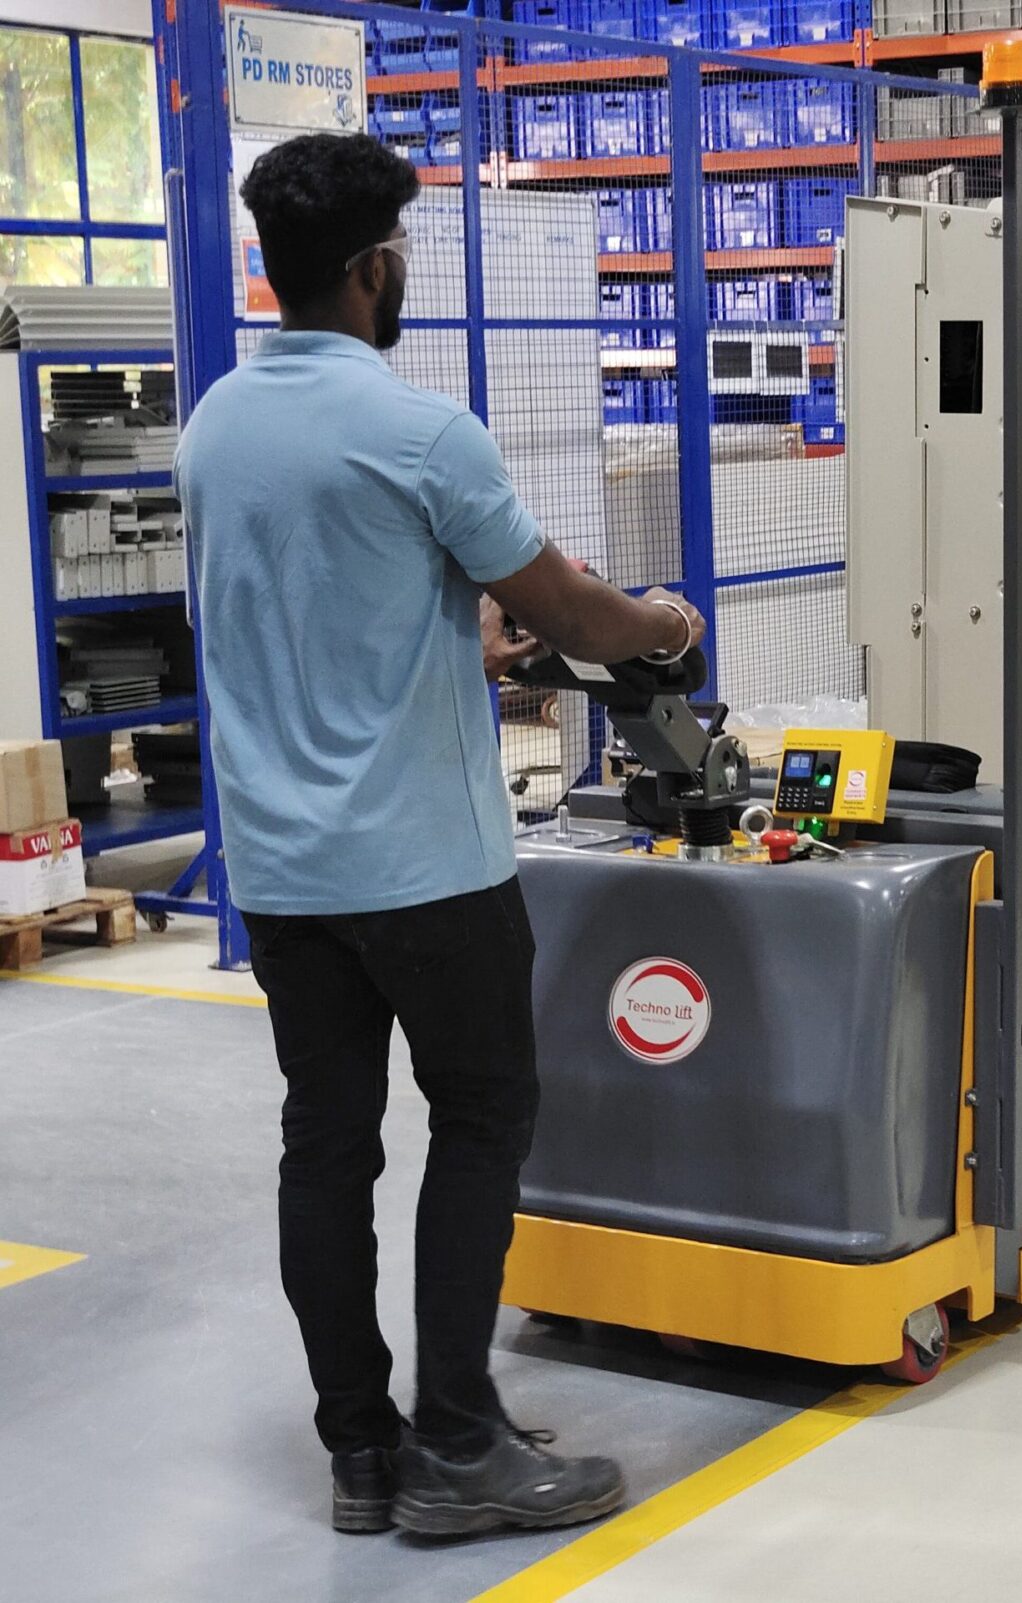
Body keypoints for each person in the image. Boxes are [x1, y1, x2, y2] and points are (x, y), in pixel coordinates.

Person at [174, 133, 704, 1538]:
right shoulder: (423, 434)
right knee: (479, 1123)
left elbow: (285, 622)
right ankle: (463, 1444)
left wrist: (449, 651)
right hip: (428, 868)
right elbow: (577, 615)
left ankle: (362, 1454)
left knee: (326, 1146)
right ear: (372, 270)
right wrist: (659, 624)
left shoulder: (216, 423)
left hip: (285, 875)